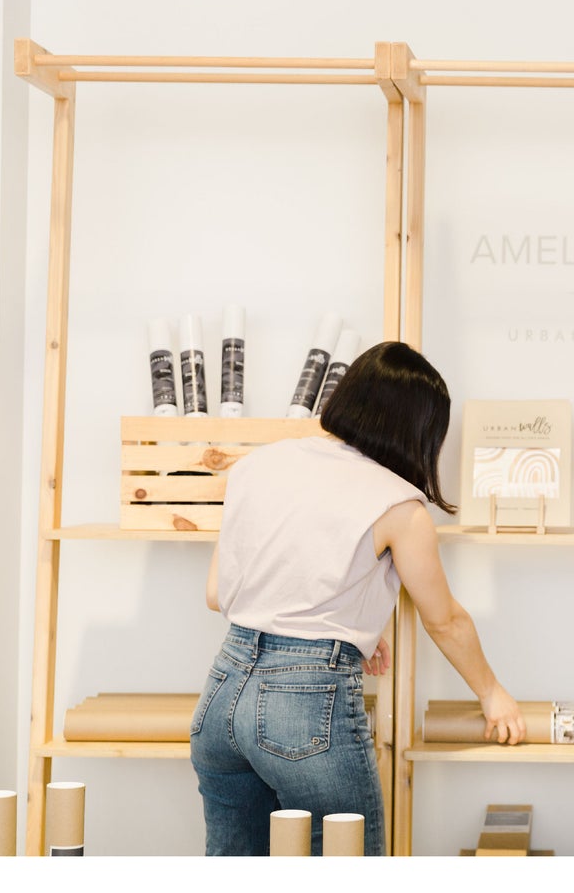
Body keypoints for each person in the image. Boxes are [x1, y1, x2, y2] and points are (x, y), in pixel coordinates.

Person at [190, 341, 525, 856]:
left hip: (221, 692)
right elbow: (445, 621)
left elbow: (218, 594)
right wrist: (492, 693)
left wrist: (357, 624)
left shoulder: (257, 466)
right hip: (303, 707)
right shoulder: (398, 503)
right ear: (419, 429)